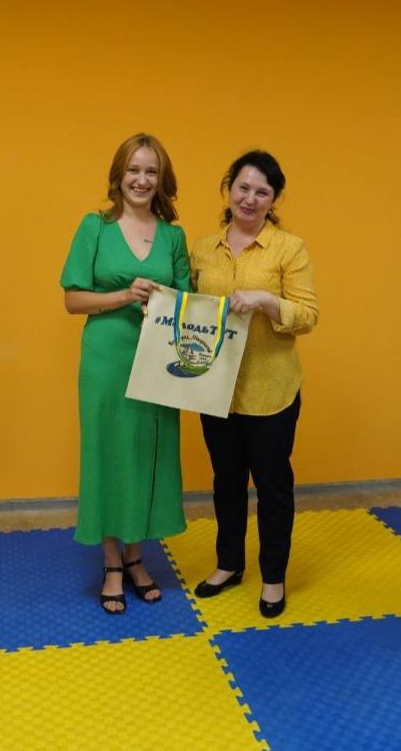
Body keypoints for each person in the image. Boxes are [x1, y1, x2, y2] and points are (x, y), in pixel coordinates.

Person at [60, 133, 190, 614]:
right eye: (133, 170)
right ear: (118, 176)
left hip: (158, 360)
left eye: (151, 171)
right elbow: (72, 300)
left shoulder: (174, 237)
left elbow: (186, 303)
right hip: (106, 358)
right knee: (109, 452)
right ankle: (113, 562)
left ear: (162, 180)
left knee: (146, 452)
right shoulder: (94, 227)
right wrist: (124, 295)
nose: (141, 179)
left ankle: (137, 556)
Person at [189, 150, 318, 618]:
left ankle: (273, 578)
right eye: (243, 187)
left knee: (272, 486)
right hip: (216, 389)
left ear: (273, 199)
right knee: (226, 481)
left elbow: (308, 316)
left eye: (262, 191)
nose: (250, 198)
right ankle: (228, 564)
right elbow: (186, 308)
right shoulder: (202, 248)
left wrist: (267, 300)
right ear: (229, 189)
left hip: (271, 390)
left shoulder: (289, 248)